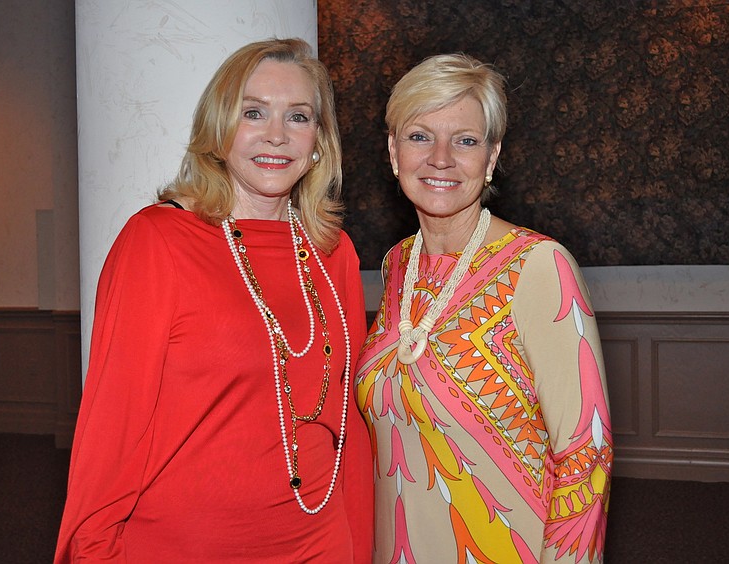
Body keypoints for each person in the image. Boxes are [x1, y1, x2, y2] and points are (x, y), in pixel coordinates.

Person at [55, 38, 373, 563]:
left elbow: (348, 423)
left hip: (320, 544)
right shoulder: (157, 242)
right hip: (185, 547)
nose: (277, 135)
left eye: (298, 116)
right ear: (218, 131)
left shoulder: (331, 252)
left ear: (318, 141)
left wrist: (359, 545)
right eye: (254, 112)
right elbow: (112, 429)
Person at [355, 53, 612, 563]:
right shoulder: (396, 266)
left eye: (466, 140)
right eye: (420, 136)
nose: (441, 158)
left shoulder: (539, 266)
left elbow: (587, 455)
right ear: (392, 151)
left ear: (491, 157)